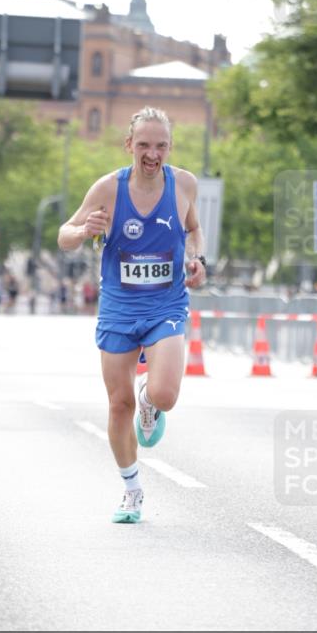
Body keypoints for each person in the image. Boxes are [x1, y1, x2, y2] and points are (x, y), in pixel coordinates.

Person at [58, 107, 206, 524]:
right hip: (119, 308)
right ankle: (132, 489)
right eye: (143, 145)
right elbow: (65, 235)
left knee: (165, 395)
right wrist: (84, 230)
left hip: (166, 305)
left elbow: (193, 229)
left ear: (169, 148)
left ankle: (150, 402)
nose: (152, 154)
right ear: (129, 145)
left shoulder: (184, 184)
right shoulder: (108, 189)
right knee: (118, 404)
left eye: (160, 145)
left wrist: (197, 260)